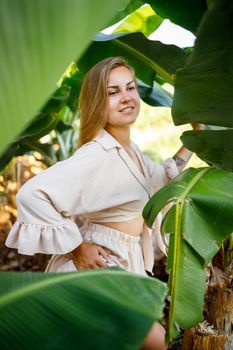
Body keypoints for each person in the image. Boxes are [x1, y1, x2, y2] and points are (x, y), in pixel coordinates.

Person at [6, 57, 203, 350]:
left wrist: (196, 137)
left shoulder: (129, 150)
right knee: (159, 343)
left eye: (130, 88)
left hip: (122, 262)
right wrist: (77, 247)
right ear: (98, 101)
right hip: (97, 267)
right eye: (113, 92)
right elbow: (31, 194)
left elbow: (157, 180)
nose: (126, 98)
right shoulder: (97, 154)